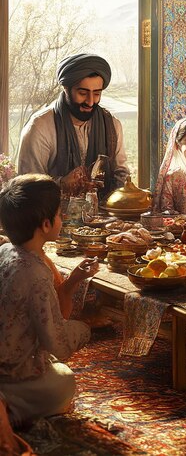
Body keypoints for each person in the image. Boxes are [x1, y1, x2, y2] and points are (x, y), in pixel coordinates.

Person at [0, 174, 99, 451]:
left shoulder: (7, 251)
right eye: (59, 215)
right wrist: (84, 330)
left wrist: (74, 280)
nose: (61, 220)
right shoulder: (35, 272)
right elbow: (57, 342)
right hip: (10, 374)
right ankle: (10, 408)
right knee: (64, 381)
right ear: (45, 224)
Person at [18, 53, 129, 196]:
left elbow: (121, 174)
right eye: (83, 93)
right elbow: (27, 186)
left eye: (96, 93)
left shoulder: (112, 125)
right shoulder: (40, 126)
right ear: (66, 88)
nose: (90, 102)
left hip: (105, 214)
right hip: (53, 215)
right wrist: (62, 183)